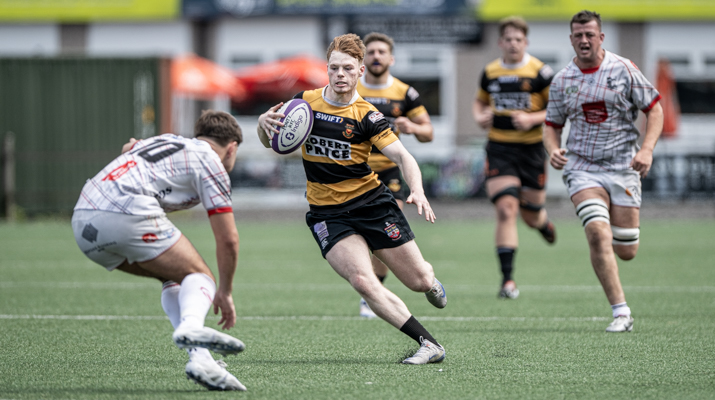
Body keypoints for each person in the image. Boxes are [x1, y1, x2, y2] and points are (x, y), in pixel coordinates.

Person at [257, 33, 447, 364]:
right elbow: (272, 141)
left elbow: (403, 157)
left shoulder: (367, 116)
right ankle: (430, 344)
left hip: (372, 206)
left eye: (347, 68)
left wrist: (416, 189)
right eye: (334, 68)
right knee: (363, 280)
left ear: (360, 70)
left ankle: (430, 280)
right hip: (327, 213)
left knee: (418, 281)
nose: (340, 74)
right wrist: (262, 124)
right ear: (326, 69)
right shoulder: (304, 104)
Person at [71, 110, 248, 390]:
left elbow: (129, 147)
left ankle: (201, 360)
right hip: (126, 212)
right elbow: (228, 240)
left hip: (83, 219)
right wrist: (224, 292)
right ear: (232, 148)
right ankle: (192, 327)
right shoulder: (211, 161)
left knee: (174, 276)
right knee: (200, 276)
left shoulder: (168, 141)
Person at [543, 10, 664, 333]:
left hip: (624, 167)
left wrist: (647, 150)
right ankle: (621, 312)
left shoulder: (623, 69)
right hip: (582, 169)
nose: (584, 40)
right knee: (597, 233)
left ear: (601, 37)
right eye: (578, 35)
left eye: (590, 34)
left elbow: (655, 109)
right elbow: (551, 125)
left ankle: (617, 233)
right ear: (571, 39)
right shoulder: (562, 80)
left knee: (627, 250)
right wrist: (553, 149)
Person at [472, 16, 557, 299]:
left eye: (518, 39)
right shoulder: (491, 72)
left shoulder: (541, 72)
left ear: (526, 42)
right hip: (499, 149)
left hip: (531, 151)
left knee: (530, 216)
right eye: (508, 39)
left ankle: (542, 222)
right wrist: (479, 116)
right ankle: (507, 280)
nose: (513, 44)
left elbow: (558, 109)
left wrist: (532, 118)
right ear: (500, 42)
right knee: (506, 208)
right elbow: (480, 101)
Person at [355, 32, 434, 318]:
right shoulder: (352, 89)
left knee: (386, 229)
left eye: (381, 52)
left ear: (391, 59)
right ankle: (369, 288)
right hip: (356, 169)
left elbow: (428, 132)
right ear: (363, 60)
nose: (376, 56)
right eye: (371, 52)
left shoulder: (405, 93)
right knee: (359, 234)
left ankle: (372, 293)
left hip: (389, 170)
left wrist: (414, 128)